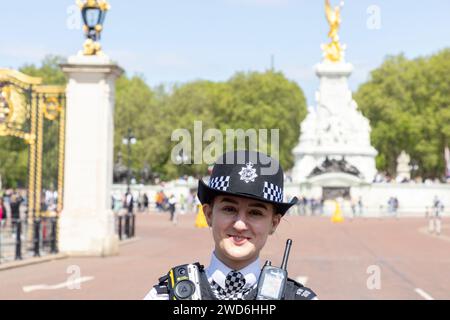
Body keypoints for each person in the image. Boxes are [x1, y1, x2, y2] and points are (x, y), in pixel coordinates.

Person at [144, 150, 317, 300]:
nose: (240, 224)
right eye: (229, 209)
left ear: (274, 223)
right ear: (209, 214)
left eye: (255, 213)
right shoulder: (164, 296)